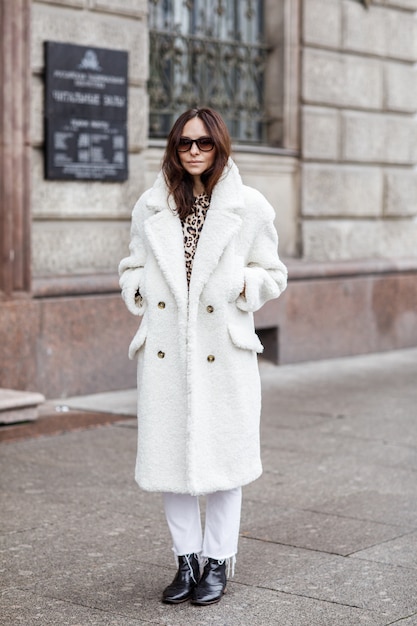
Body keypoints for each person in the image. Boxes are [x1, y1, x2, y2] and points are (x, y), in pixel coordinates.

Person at [118, 107, 287, 606]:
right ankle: (186, 562)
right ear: (174, 149)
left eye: (204, 143)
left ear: (219, 146)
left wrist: (244, 284)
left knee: (225, 463)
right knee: (169, 461)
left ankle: (218, 563)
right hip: (168, 353)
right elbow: (131, 264)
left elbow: (272, 271)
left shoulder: (249, 206)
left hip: (223, 353)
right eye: (184, 143)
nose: (193, 151)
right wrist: (139, 289)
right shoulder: (152, 205)